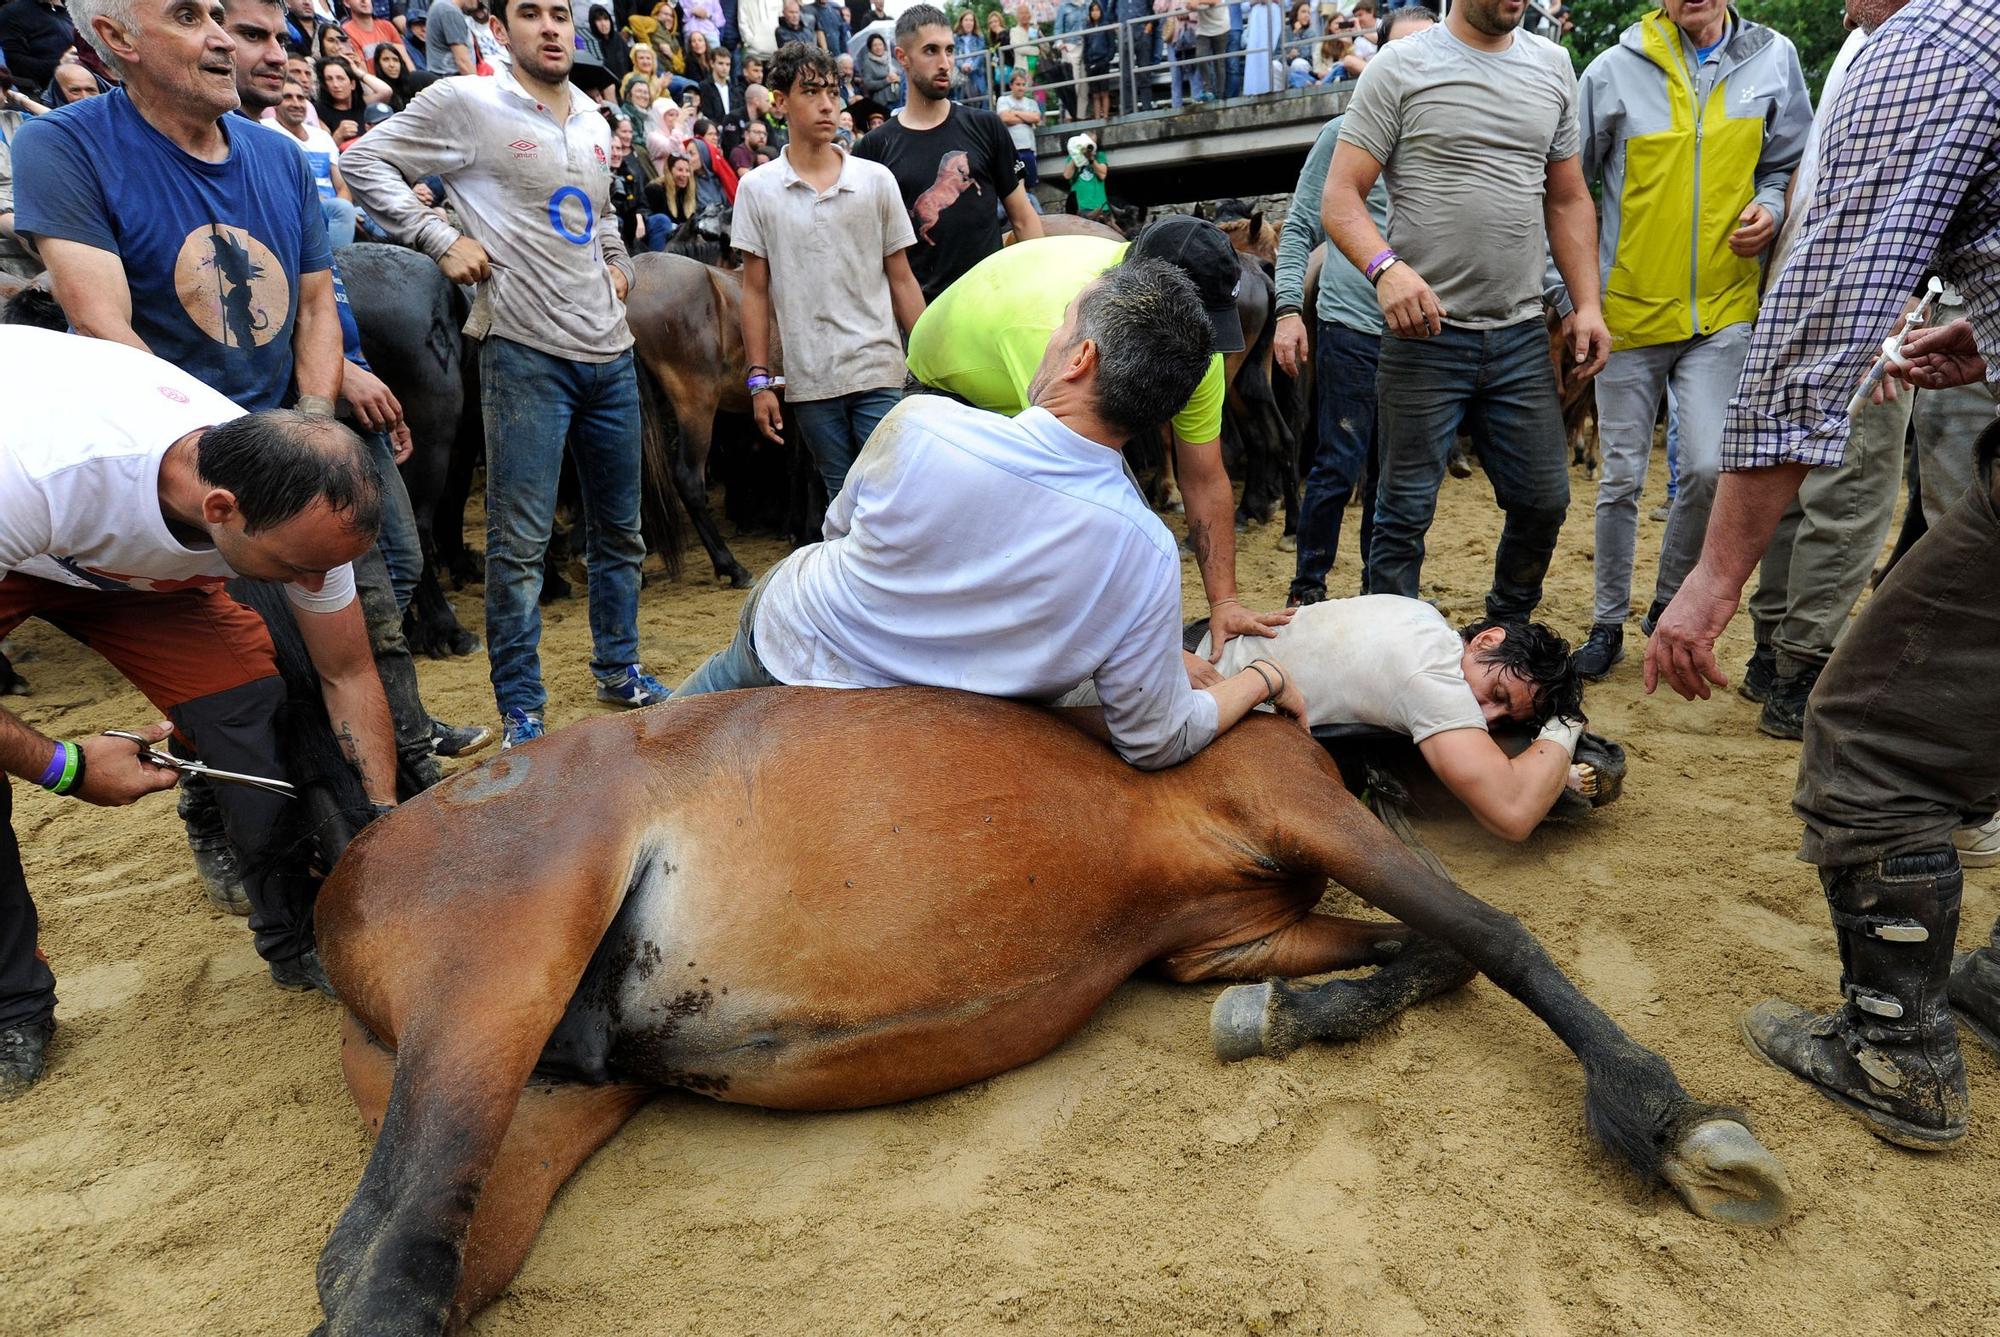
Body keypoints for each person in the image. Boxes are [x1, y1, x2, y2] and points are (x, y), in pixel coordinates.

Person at [1634, 0, 2000, 1151]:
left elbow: (1824, 307)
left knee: (1868, 727)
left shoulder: (1929, 42)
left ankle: (1896, 1050)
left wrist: (1712, 576)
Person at [676, 259, 1312, 772]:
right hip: (939, 733)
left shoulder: (920, 425)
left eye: (1064, 326)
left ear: (1079, 358)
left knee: (653, 747)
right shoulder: (1145, 551)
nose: (1053, 337)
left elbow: (838, 533)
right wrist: (1259, 679)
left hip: (788, 643)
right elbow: (1155, 739)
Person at [0, 328, 400, 1092]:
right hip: (21, 540)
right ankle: (12, 1003)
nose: (313, 581)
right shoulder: (33, 472)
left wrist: (381, 817)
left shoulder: (292, 505)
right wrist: (63, 765)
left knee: (251, 702)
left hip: (117, 564)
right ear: (221, 507)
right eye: (297, 567)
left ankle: (294, 935)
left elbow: (346, 669)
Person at [343, 0, 672, 747]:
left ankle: (619, 668)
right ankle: (522, 705)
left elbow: (601, 214)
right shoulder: (467, 102)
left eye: (561, 13)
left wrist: (617, 262)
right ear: (504, 30)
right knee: (519, 545)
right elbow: (363, 161)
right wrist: (436, 235)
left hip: (609, 351)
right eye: (532, 13)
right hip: (524, 351)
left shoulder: (592, 115)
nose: (551, 27)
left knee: (620, 532)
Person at [1320, 0, 1610, 625]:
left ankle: (1504, 629)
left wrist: (1586, 304)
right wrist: (1385, 269)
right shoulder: (1398, 67)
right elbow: (1340, 195)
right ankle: (1392, 646)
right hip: (1423, 336)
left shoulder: (1554, 65)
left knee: (1543, 501)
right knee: (1401, 511)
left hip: (1521, 333)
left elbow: (1566, 197)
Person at [908, 220, 1293, 660]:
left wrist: (1224, 603)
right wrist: (1149, 653)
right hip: (954, 391)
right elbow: (1067, 490)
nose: (1201, 350)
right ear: (1147, 310)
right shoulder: (1054, 329)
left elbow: (1204, 477)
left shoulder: (1193, 344)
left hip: (1044, 357)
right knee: (988, 556)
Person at [1564, 0, 1810, 682]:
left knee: (1705, 467)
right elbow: (1566, 184)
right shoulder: (1611, 70)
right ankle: (1606, 621)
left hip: (1725, 311)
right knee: (1618, 480)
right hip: (1628, 315)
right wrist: (1573, 298)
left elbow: (1787, 163)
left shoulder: (1776, 59)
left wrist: (1772, 206)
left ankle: (1669, 600)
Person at [1737, 10, 1909, 736]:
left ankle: (1771, 651)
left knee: (1795, 473)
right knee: (1852, 485)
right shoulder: (1906, 44)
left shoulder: (1861, 45)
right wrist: (1903, 300)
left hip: (1802, 286)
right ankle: (1799, 672)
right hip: (1861, 298)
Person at [1272, 3, 1434, 607]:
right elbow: (1298, 228)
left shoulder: (1454, 133)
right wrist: (1288, 309)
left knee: (1399, 476)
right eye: (1403, 51)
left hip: (1422, 333)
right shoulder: (1345, 133)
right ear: (1381, 60)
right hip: (1353, 322)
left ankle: (1380, 597)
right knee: (1339, 462)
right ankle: (1307, 590)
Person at [1190, 596, 1587, 840]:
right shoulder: (1434, 678)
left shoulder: (1422, 616)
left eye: (1503, 717)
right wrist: (1565, 725)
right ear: (1486, 640)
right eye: (1497, 694)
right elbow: (1513, 815)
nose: (1485, 714)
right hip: (1196, 704)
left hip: (1198, 654)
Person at [735, 42, 923, 499]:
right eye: (811, 92)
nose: (826, 104)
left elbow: (901, 277)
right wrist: (759, 380)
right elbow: (755, 291)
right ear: (779, 102)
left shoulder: (875, 180)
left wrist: (929, 362)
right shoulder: (757, 189)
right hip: (811, 379)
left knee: (895, 496)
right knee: (843, 500)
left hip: (879, 367)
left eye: (833, 93)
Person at [853, 4, 1040, 302]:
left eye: (950, 50)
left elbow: (1023, 218)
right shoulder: (873, 148)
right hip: (924, 318)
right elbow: (868, 251)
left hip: (993, 303)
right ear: (902, 57)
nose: (945, 62)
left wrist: (1040, 296)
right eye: (931, 51)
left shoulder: (987, 126)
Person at [271, 77, 356, 245]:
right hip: (297, 207)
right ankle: (335, 267)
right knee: (342, 209)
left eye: (301, 98)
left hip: (331, 207)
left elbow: (342, 185)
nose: (296, 103)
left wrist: (345, 208)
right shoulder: (267, 129)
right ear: (275, 103)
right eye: (287, 97)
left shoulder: (322, 136)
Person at [0, 0, 71, 91]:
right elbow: (15, 64)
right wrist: (60, 64)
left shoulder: (73, 9)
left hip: (84, 79)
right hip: (45, 90)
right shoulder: (12, 12)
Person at [994, 67, 1038, 190]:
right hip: (1011, 150)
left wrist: (1015, 112)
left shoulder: (1031, 102)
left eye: (1023, 84)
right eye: (1018, 84)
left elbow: (1036, 118)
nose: (1021, 88)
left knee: (1030, 185)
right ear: (1011, 85)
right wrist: (1026, 118)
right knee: (1013, 185)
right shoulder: (1003, 100)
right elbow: (1004, 118)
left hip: (1029, 149)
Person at [425, 0, 479, 75]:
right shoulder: (449, 11)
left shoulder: (442, 6)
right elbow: (463, 63)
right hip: (452, 78)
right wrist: (477, 85)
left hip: (446, 77)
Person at [1240, 0, 1279, 95]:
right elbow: (1242, 7)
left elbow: (1286, 3)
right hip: (1256, 18)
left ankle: (1270, 87)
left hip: (1273, 13)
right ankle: (1254, 90)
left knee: (1270, 50)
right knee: (1255, 56)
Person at [1081, 0, 1111, 118]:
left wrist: (1107, 58)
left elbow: (1111, 45)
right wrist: (1087, 62)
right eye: (1092, 10)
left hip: (1103, 61)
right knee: (1095, 94)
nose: (1095, 13)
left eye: (1097, 10)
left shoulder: (1106, 25)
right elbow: (1086, 46)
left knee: (1104, 91)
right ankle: (1097, 117)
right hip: (1091, 63)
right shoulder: (1087, 28)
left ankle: (1106, 116)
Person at [951, 8, 985, 102]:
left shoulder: (979, 37)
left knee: (980, 100)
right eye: (966, 20)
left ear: (974, 23)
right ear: (961, 22)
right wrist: (962, 66)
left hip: (976, 73)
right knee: (961, 101)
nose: (969, 22)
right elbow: (954, 54)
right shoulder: (955, 38)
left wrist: (971, 66)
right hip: (960, 74)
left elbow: (981, 55)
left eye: (971, 20)